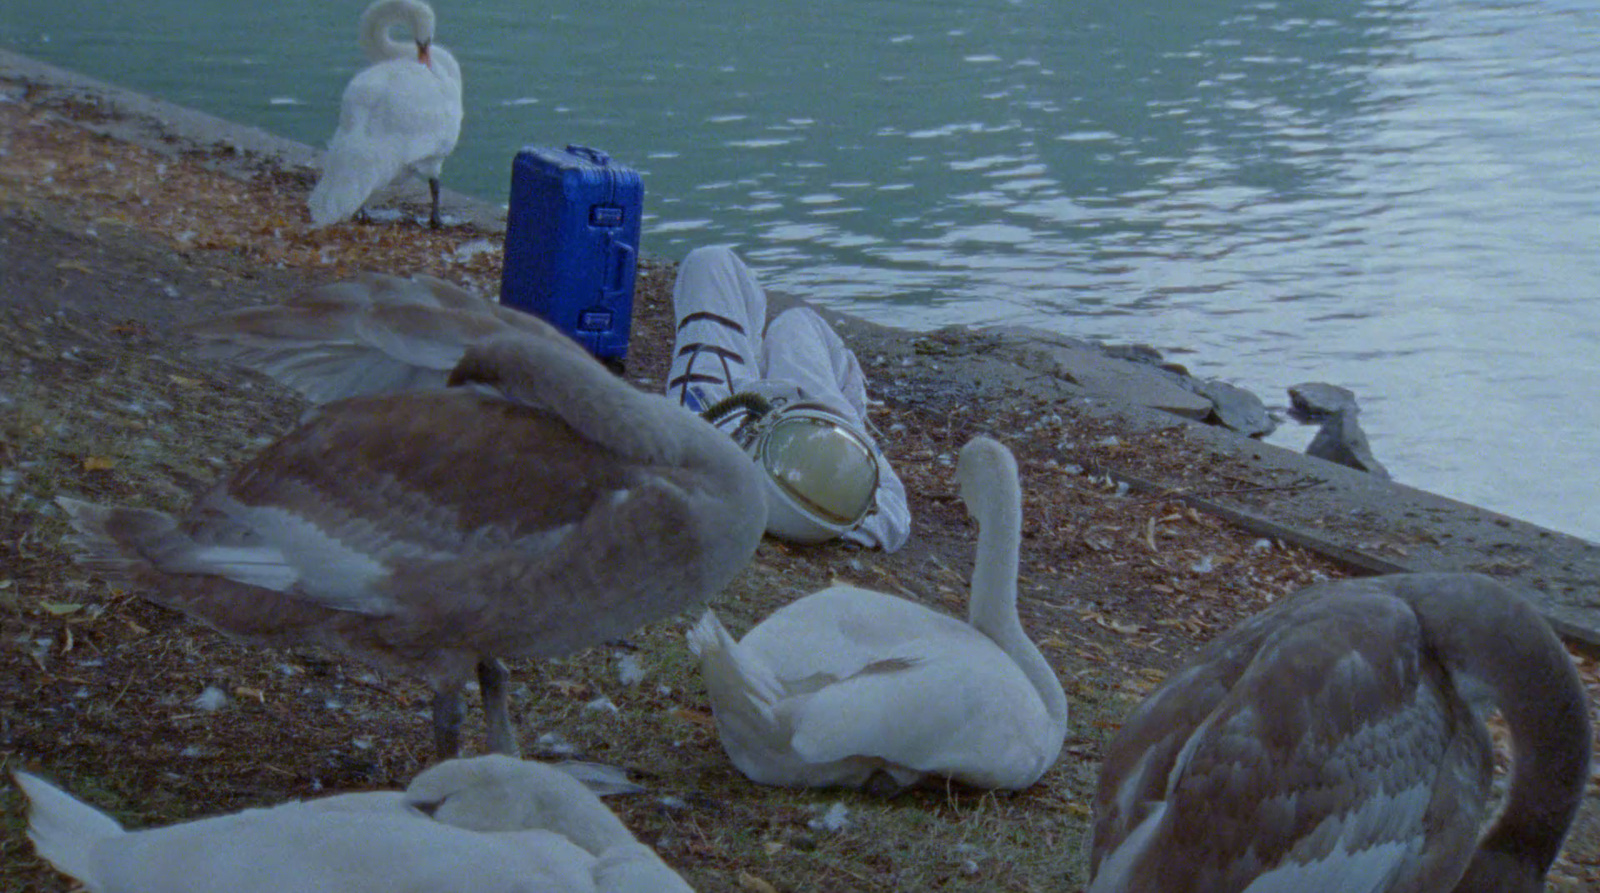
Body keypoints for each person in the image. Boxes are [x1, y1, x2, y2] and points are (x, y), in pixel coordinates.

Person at [666, 247, 910, 552]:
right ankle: (843, 405)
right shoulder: (861, 493)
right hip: (788, 429)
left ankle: (754, 355)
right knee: (795, 323)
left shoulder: (701, 445)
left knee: (709, 263)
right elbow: (892, 516)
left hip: (720, 420)